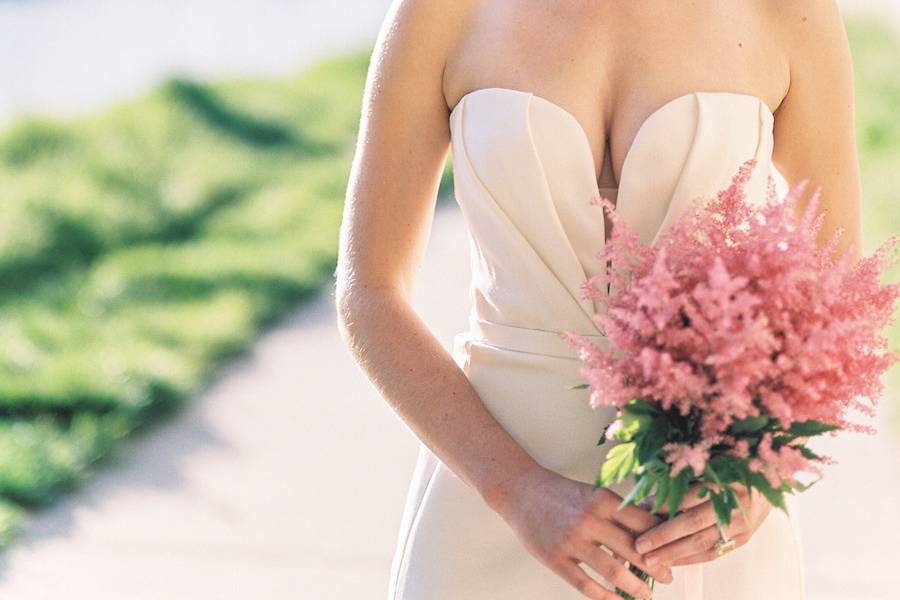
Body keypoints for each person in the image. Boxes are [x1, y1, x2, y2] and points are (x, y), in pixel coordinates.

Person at [335, 1, 860, 598]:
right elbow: (370, 295)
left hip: (701, 515)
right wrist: (517, 490)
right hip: (487, 509)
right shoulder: (443, 12)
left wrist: (764, 470)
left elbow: (836, 286)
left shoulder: (787, 12)